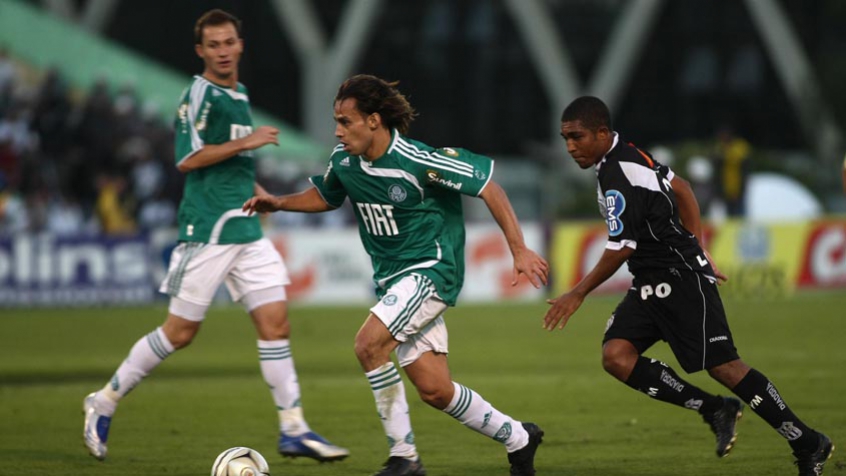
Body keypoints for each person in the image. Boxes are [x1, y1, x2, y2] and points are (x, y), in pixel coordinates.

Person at [243, 74, 548, 476]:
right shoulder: (344, 162)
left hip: (432, 270)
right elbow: (326, 195)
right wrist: (278, 202)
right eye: (336, 120)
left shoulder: (419, 161)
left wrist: (519, 248)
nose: (337, 130)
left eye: (345, 121)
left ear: (373, 121)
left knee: (369, 346)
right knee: (435, 390)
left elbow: (489, 187)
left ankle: (404, 457)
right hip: (394, 281)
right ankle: (518, 438)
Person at [82, 9, 349, 463]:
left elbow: (230, 165)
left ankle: (294, 429)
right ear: (201, 51)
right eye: (214, 45)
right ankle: (104, 400)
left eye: (230, 42)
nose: (223, 51)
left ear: (240, 45)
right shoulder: (199, 94)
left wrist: (256, 188)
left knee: (276, 323)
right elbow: (187, 158)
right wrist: (247, 143)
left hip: (245, 225)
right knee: (180, 332)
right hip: (208, 230)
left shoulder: (239, 93)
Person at [546, 96, 833, 476]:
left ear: (602, 132)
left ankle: (807, 442)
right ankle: (715, 409)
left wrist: (576, 293)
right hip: (649, 280)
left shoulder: (618, 171)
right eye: (565, 138)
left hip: (679, 276)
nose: (570, 147)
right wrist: (698, 242)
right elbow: (681, 187)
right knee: (617, 356)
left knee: (725, 367)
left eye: (576, 137)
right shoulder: (628, 157)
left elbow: (621, 247)